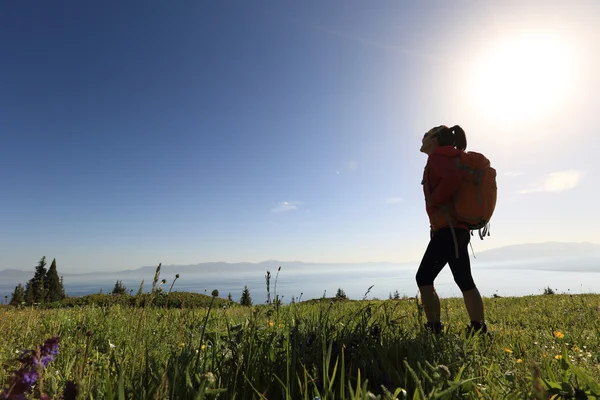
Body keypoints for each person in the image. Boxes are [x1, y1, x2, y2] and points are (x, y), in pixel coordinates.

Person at [417, 125, 487, 335]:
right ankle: (478, 329)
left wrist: (434, 201)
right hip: (456, 230)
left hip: (449, 230)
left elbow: (452, 180)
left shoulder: (438, 158)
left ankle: (434, 329)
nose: (423, 137)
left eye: (426, 134)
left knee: (424, 278)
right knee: (464, 279)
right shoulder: (450, 157)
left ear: (435, 140)